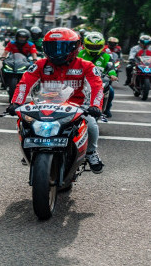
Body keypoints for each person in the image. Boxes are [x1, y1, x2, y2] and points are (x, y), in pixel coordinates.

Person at [7, 27, 105, 173]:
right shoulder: (40, 64)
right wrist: (16, 103)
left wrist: (95, 106)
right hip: (44, 104)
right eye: (53, 47)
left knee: (90, 123)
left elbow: (97, 85)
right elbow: (24, 83)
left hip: (76, 106)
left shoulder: (86, 65)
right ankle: (30, 149)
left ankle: (91, 153)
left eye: (62, 47)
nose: (57, 52)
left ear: (74, 47)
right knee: (24, 121)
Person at [78, 32, 118, 119]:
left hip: (100, 80)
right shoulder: (80, 54)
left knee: (110, 91)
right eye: (91, 46)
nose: (94, 48)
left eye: (97, 47)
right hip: (82, 79)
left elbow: (111, 67)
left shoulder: (106, 56)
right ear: (85, 45)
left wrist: (112, 75)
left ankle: (107, 109)